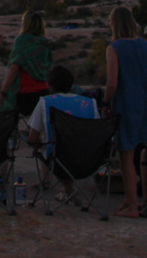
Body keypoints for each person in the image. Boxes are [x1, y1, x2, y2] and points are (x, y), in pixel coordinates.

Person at [103, 6, 147, 218]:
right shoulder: (145, 45)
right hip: (146, 104)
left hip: (126, 105)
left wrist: (106, 102)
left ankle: (134, 207)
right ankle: (131, 198)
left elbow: (111, 84)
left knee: (125, 156)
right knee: (139, 152)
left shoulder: (114, 48)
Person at [26, 65, 99, 199]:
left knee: (52, 148)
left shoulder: (45, 103)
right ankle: (68, 191)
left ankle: (70, 190)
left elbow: (32, 138)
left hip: (59, 161)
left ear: (50, 86)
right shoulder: (90, 104)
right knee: (71, 145)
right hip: (88, 161)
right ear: (71, 84)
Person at [0, 11, 52, 116]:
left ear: (25, 24)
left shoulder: (23, 40)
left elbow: (14, 68)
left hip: (26, 93)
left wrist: (3, 92)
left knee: (6, 115)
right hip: (43, 91)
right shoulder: (44, 43)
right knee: (38, 125)